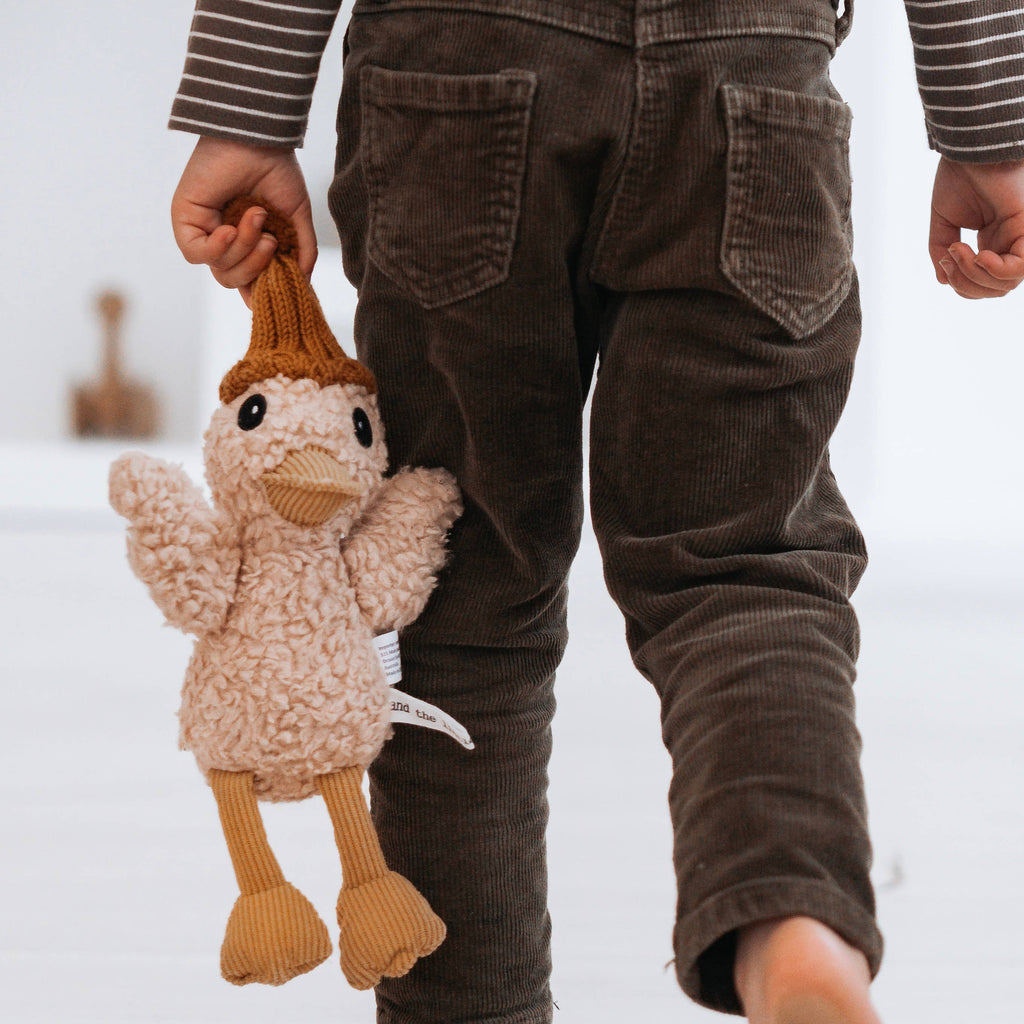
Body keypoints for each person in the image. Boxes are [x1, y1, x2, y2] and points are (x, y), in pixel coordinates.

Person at [168, 2, 1024, 1022]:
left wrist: (245, 109)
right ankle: (791, 921)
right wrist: (991, 125)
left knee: (453, 581)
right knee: (744, 567)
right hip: (751, 67)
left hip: (458, 67)